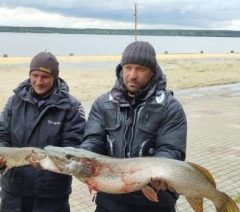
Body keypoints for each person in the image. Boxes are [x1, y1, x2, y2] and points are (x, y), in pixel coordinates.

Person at [80, 41, 187, 212]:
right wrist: (81, 158)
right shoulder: (103, 103)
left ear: (152, 72)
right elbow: (93, 140)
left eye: (140, 69)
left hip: (155, 202)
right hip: (110, 201)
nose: (132, 75)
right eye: (128, 67)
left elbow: (171, 150)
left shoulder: (170, 107)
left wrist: (159, 174)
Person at [0, 52, 86, 212]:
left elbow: (73, 150)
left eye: (45, 77)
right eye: (35, 75)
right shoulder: (14, 101)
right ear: (29, 74)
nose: (39, 82)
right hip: (14, 192)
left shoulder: (70, 107)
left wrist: (47, 165)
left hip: (50, 195)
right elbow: (2, 135)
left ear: (55, 77)